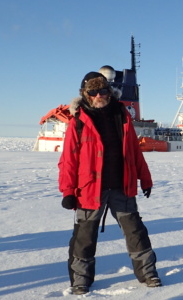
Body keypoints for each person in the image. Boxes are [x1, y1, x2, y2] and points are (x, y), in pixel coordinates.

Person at [58, 72, 160, 295]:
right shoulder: (78, 121)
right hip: (89, 190)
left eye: (102, 91)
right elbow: (68, 160)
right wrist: (68, 191)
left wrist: (146, 178)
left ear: (109, 92)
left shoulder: (121, 116)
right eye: (93, 92)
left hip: (122, 186)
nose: (98, 96)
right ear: (85, 94)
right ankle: (81, 280)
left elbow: (134, 151)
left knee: (136, 232)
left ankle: (148, 273)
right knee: (84, 236)